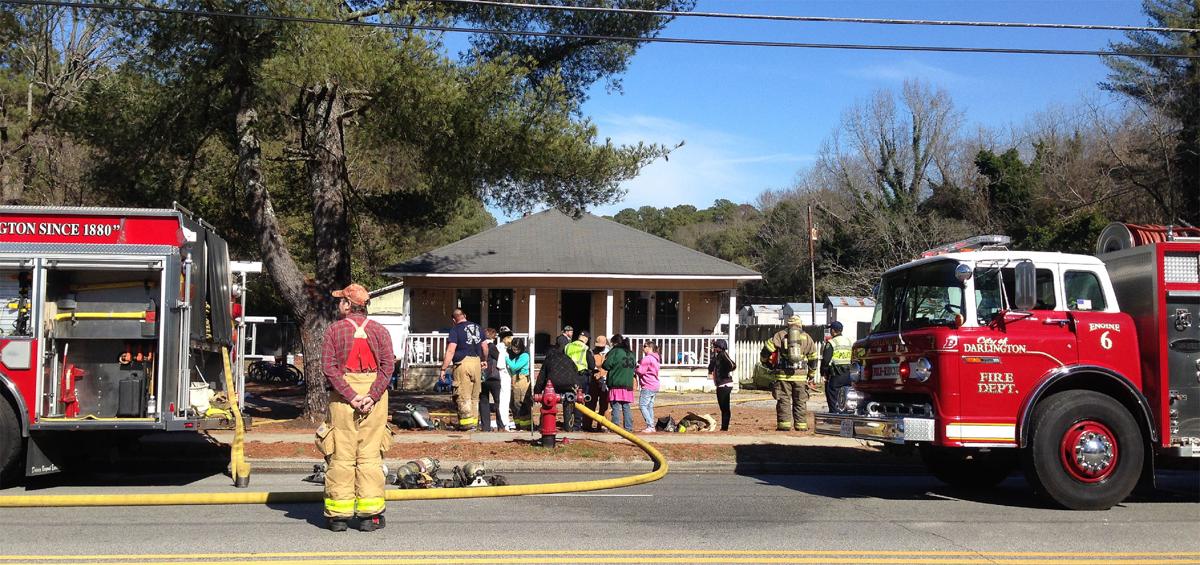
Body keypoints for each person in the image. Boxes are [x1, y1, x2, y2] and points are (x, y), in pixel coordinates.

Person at [319, 283, 395, 532]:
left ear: (348, 305)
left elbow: (329, 368)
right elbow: (387, 368)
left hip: (343, 399)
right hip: (375, 397)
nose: (338, 304)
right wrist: (371, 396)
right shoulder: (380, 331)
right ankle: (369, 517)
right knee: (370, 456)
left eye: (341, 301)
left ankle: (338, 517)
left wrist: (351, 396)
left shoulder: (334, 331)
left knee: (341, 456)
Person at [762, 315, 819, 431]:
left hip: (783, 375)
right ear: (800, 324)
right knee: (800, 401)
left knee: (784, 400)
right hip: (801, 376)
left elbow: (766, 350)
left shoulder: (780, 335)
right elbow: (813, 358)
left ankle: (784, 425)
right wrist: (811, 375)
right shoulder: (807, 338)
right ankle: (801, 425)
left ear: (788, 324)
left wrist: (766, 363)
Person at [440, 308, 488, 431]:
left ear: (453, 320)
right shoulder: (478, 327)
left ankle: (466, 424)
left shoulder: (455, 329)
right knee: (474, 396)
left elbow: (451, 350)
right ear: (465, 315)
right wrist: (484, 360)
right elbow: (485, 347)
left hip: (462, 363)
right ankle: (474, 423)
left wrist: (443, 368)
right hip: (476, 362)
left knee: (462, 394)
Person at [534, 343, 586, 431]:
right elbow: (575, 371)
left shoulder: (549, 359)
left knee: (548, 402)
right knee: (568, 402)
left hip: (554, 385)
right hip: (570, 384)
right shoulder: (568, 358)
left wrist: (537, 392)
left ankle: (543, 425)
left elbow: (541, 378)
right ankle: (568, 427)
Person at [563, 331, 596, 431]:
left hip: (568, 376)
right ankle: (577, 425)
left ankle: (567, 425)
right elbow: (591, 365)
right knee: (579, 399)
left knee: (567, 398)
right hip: (581, 376)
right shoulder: (585, 348)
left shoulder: (568, 346)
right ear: (586, 338)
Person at [602, 335, 635, 432]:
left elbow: (606, 365)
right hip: (628, 383)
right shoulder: (631, 353)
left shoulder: (615, 352)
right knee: (626, 406)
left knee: (615, 405)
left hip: (616, 382)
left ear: (615, 343)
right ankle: (628, 428)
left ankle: (615, 427)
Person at [822, 321, 854, 414]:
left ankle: (834, 415)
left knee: (832, 394)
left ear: (833, 330)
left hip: (836, 374)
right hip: (848, 374)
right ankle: (846, 414)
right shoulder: (848, 341)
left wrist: (823, 372)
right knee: (845, 394)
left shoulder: (832, 342)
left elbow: (826, 360)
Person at [479, 327, 506, 432]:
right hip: (494, 377)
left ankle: (485, 426)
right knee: (498, 401)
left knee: (483, 401)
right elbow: (500, 359)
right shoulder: (492, 347)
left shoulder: (480, 347)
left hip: (483, 377)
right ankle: (501, 425)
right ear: (493, 337)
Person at [708, 339, 737, 431]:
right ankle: (724, 427)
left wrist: (725, 371)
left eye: (715, 347)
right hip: (721, 384)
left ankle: (724, 428)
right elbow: (710, 367)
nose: (714, 348)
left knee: (725, 407)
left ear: (719, 348)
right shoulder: (717, 357)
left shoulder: (723, 355)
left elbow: (733, 365)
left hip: (725, 384)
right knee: (723, 407)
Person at [585, 335, 610, 432]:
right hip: (593, 381)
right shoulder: (591, 352)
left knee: (604, 405)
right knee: (591, 403)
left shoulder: (609, 353)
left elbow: (608, 367)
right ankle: (587, 424)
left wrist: (601, 373)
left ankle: (603, 425)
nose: (599, 348)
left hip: (605, 381)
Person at [506, 338, 532, 430]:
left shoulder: (525, 356)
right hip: (515, 381)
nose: (516, 351)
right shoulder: (516, 356)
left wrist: (505, 358)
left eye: (517, 349)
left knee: (521, 403)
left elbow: (514, 367)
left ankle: (526, 426)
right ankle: (518, 424)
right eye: (514, 349)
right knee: (513, 404)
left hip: (521, 380)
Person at [635, 342, 661, 433]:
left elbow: (641, 372)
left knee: (642, 405)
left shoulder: (647, 359)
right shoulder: (656, 358)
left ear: (650, 348)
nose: (643, 348)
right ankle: (651, 426)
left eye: (645, 346)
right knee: (649, 406)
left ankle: (650, 425)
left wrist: (636, 368)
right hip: (655, 384)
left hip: (648, 385)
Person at [497, 326, 516, 431]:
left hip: (506, 374)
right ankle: (504, 422)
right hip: (503, 374)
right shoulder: (500, 348)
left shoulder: (505, 348)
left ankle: (505, 421)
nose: (511, 340)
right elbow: (501, 364)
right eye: (509, 337)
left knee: (506, 398)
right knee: (504, 399)